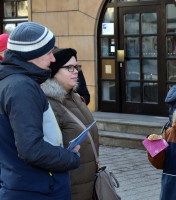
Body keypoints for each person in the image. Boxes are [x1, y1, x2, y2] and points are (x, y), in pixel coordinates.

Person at [0, 22, 80, 199]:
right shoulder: (22, 87)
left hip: (26, 184)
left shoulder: (12, 82)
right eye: (49, 53)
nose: (53, 59)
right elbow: (31, 149)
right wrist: (70, 157)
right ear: (31, 55)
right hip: (37, 189)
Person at [41, 48, 99, 200]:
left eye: (76, 67)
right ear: (54, 72)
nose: (75, 72)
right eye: (69, 68)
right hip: (70, 186)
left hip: (88, 182)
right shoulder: (49, 104)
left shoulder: (75, 97)